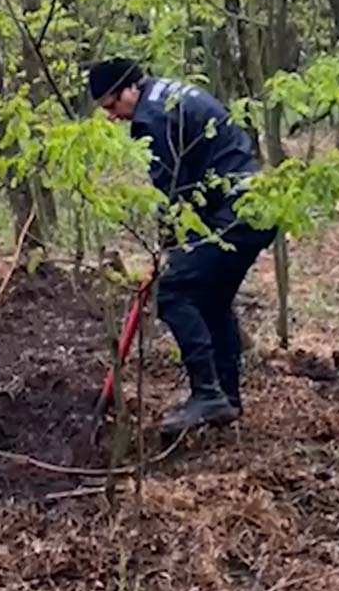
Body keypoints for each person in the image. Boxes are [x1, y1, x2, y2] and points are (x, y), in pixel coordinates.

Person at [87, 58, 276, 438]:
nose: (113, 117)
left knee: (172, 292)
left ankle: (207, 394)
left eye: (112, 106)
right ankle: (226, 398)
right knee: (212, 300)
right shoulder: (167, 96)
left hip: (235, 216)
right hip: (255, 210)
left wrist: (167, 251)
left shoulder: (153, 117)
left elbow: (171, 191)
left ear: (129, 89)